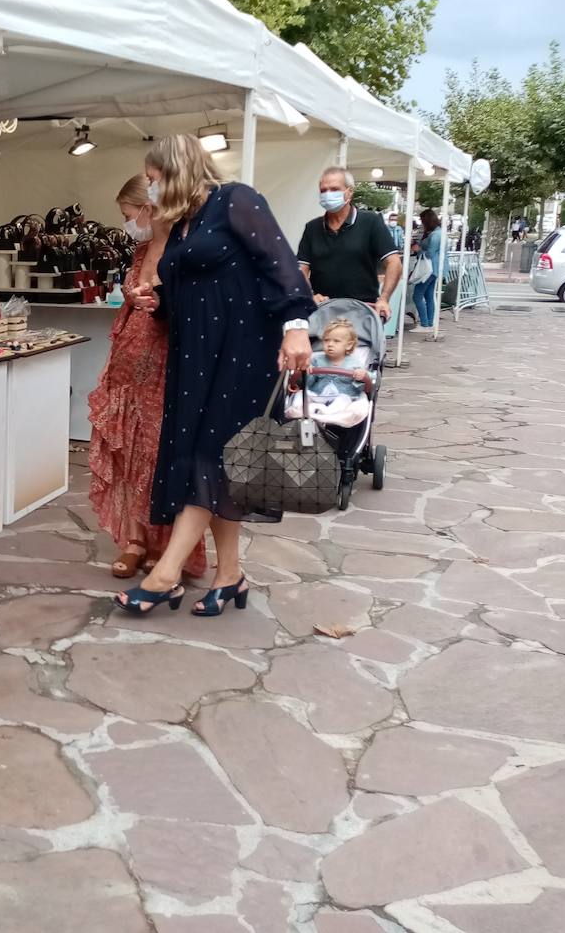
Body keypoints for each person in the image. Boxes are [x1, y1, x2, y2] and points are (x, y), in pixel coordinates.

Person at [119, 134, 314, 619]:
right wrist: (157, 302)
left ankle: (164, 576)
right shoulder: (184, 225)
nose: (151, 189)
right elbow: (188, 293)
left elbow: (280, 263)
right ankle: (230, 575)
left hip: (243, 353)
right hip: (195, 358)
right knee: (212, 462)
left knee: (209, 454)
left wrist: (296, 328)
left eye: (154, 179)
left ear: (176, 170)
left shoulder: (236, 200)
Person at [88, 174, 207, 583]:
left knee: (158, 453)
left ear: (147, 208)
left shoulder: (185, 248)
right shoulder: (140, 250)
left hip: (164, 361)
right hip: (126, 358)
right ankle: (134, 540)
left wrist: (160, 301)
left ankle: (166, 545)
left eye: (127, 214)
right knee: (125, 451)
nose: (126, 222)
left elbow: (194, 308)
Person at [296, 167, 401, 320]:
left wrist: (384, 298)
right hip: (323, 311)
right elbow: (301, 268)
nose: (328, 194)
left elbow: (394, 262)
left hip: (362, 312)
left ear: (349, 192)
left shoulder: (370, 222)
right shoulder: (312, 228)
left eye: (334, 189)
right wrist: (309, 295)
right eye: (323, 190)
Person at [285, 318, 370, 427]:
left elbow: (365, 383)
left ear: (348, 345)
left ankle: (326, 414)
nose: (330, 344)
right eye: (326, 340)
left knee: (343, 400)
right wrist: (308, 372)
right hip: (318, 394)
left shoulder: (354, 363)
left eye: (336, 341)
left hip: (342, 395)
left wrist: (361, 376)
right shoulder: (317, 360)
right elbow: (309, 384)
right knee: (302, 394)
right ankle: (300, 410)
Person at [413, 208, 443, 332]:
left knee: (417, 295)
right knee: (429, 295)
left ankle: (425, 324)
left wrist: (418, 250)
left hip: (429, 268)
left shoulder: (435, 235)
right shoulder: (439, 232)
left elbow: (429, 253)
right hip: (435, 269)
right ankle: (430, 323)